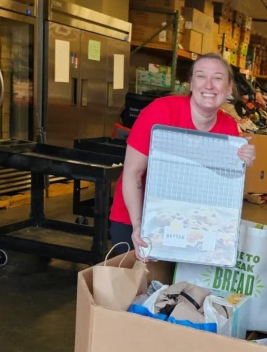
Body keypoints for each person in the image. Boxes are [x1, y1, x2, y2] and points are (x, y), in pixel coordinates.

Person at [109, 53, 256, 258]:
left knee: (174, 288)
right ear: (191, 83)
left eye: (218, 78)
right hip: (138, 219)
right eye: (201, 76)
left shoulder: (229, 127)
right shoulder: (160, 112)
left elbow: (220, 188)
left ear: (229, 88)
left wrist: (240, 160)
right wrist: (138, 224)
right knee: (136, 286)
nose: (209, 85)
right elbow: (133, 172)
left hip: (189, 225)